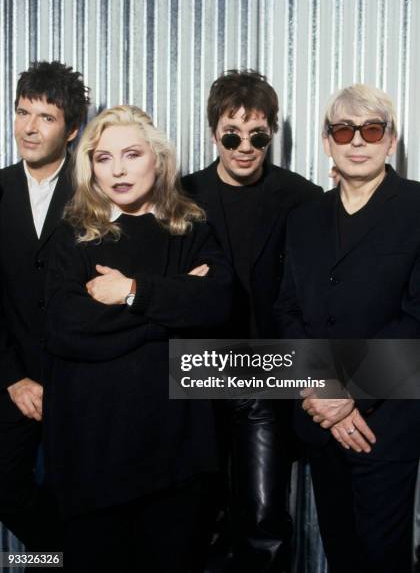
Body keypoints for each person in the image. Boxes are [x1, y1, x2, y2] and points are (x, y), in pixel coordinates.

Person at [44, 105, 232, 573]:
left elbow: (217, 307)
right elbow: (68, 330)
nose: (119, 169)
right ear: (90, 167)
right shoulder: (73, 234)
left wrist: (131, 292)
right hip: (93, 449)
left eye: (131, 154)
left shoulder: (191, 228)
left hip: (177, 450)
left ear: (159, 160)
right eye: (104, 158)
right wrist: (169, 307)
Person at [274, 84, 420, 573]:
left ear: (390, 141)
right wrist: (322, 391)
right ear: (327, 141)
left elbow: (417, 318)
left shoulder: (417, 208)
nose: (357, 141)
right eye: (344, 130)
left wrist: (349, 391)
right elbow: (288, 310)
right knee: (341, 552)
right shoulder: (304, 218)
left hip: (387, 423)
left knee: (383, 557)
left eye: (371, 130)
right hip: (319, 419)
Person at [183, 69, 322, 572]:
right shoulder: (182, 195)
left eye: (258, 136)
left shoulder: (302, 197)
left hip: (266, 372)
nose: (245, 147)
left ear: (272, 134)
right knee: (200, 514)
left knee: (263, 517)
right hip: (197, 371)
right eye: (232, 134)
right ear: (213, 132)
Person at [0, 60, 89, 550]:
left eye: (46, 117)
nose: (29, 128)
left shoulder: (94, 196)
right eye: (22, 112)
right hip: (10, 379)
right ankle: (59, 561)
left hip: (76, 384)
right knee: (7, 491)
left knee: (80, 496)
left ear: (72, 129)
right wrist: (13, 377)